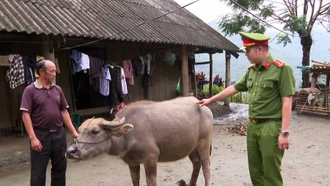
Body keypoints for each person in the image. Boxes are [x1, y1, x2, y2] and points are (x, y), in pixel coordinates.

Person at [198, 32, 295, 186]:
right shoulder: (252, 71)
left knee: (271, 174)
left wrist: (284, 133)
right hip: (253, 126)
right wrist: (211, 99)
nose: (246, 54)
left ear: (260, 49)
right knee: (255, 172)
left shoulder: (282, 70)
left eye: (248, 50)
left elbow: (287, 103)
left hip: (270, 127)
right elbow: (233, 88)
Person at [20, 60, 79, 186]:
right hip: (40, 136)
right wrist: (33, 138)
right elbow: (25, 115)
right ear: (41, 72)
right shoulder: (30, 90)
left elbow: (64, 111)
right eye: (52, 71)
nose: (55, 74)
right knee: (38, 171)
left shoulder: (57, 89)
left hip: (58, 134)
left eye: (55, 71)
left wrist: (73, 131)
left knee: (60, 168)